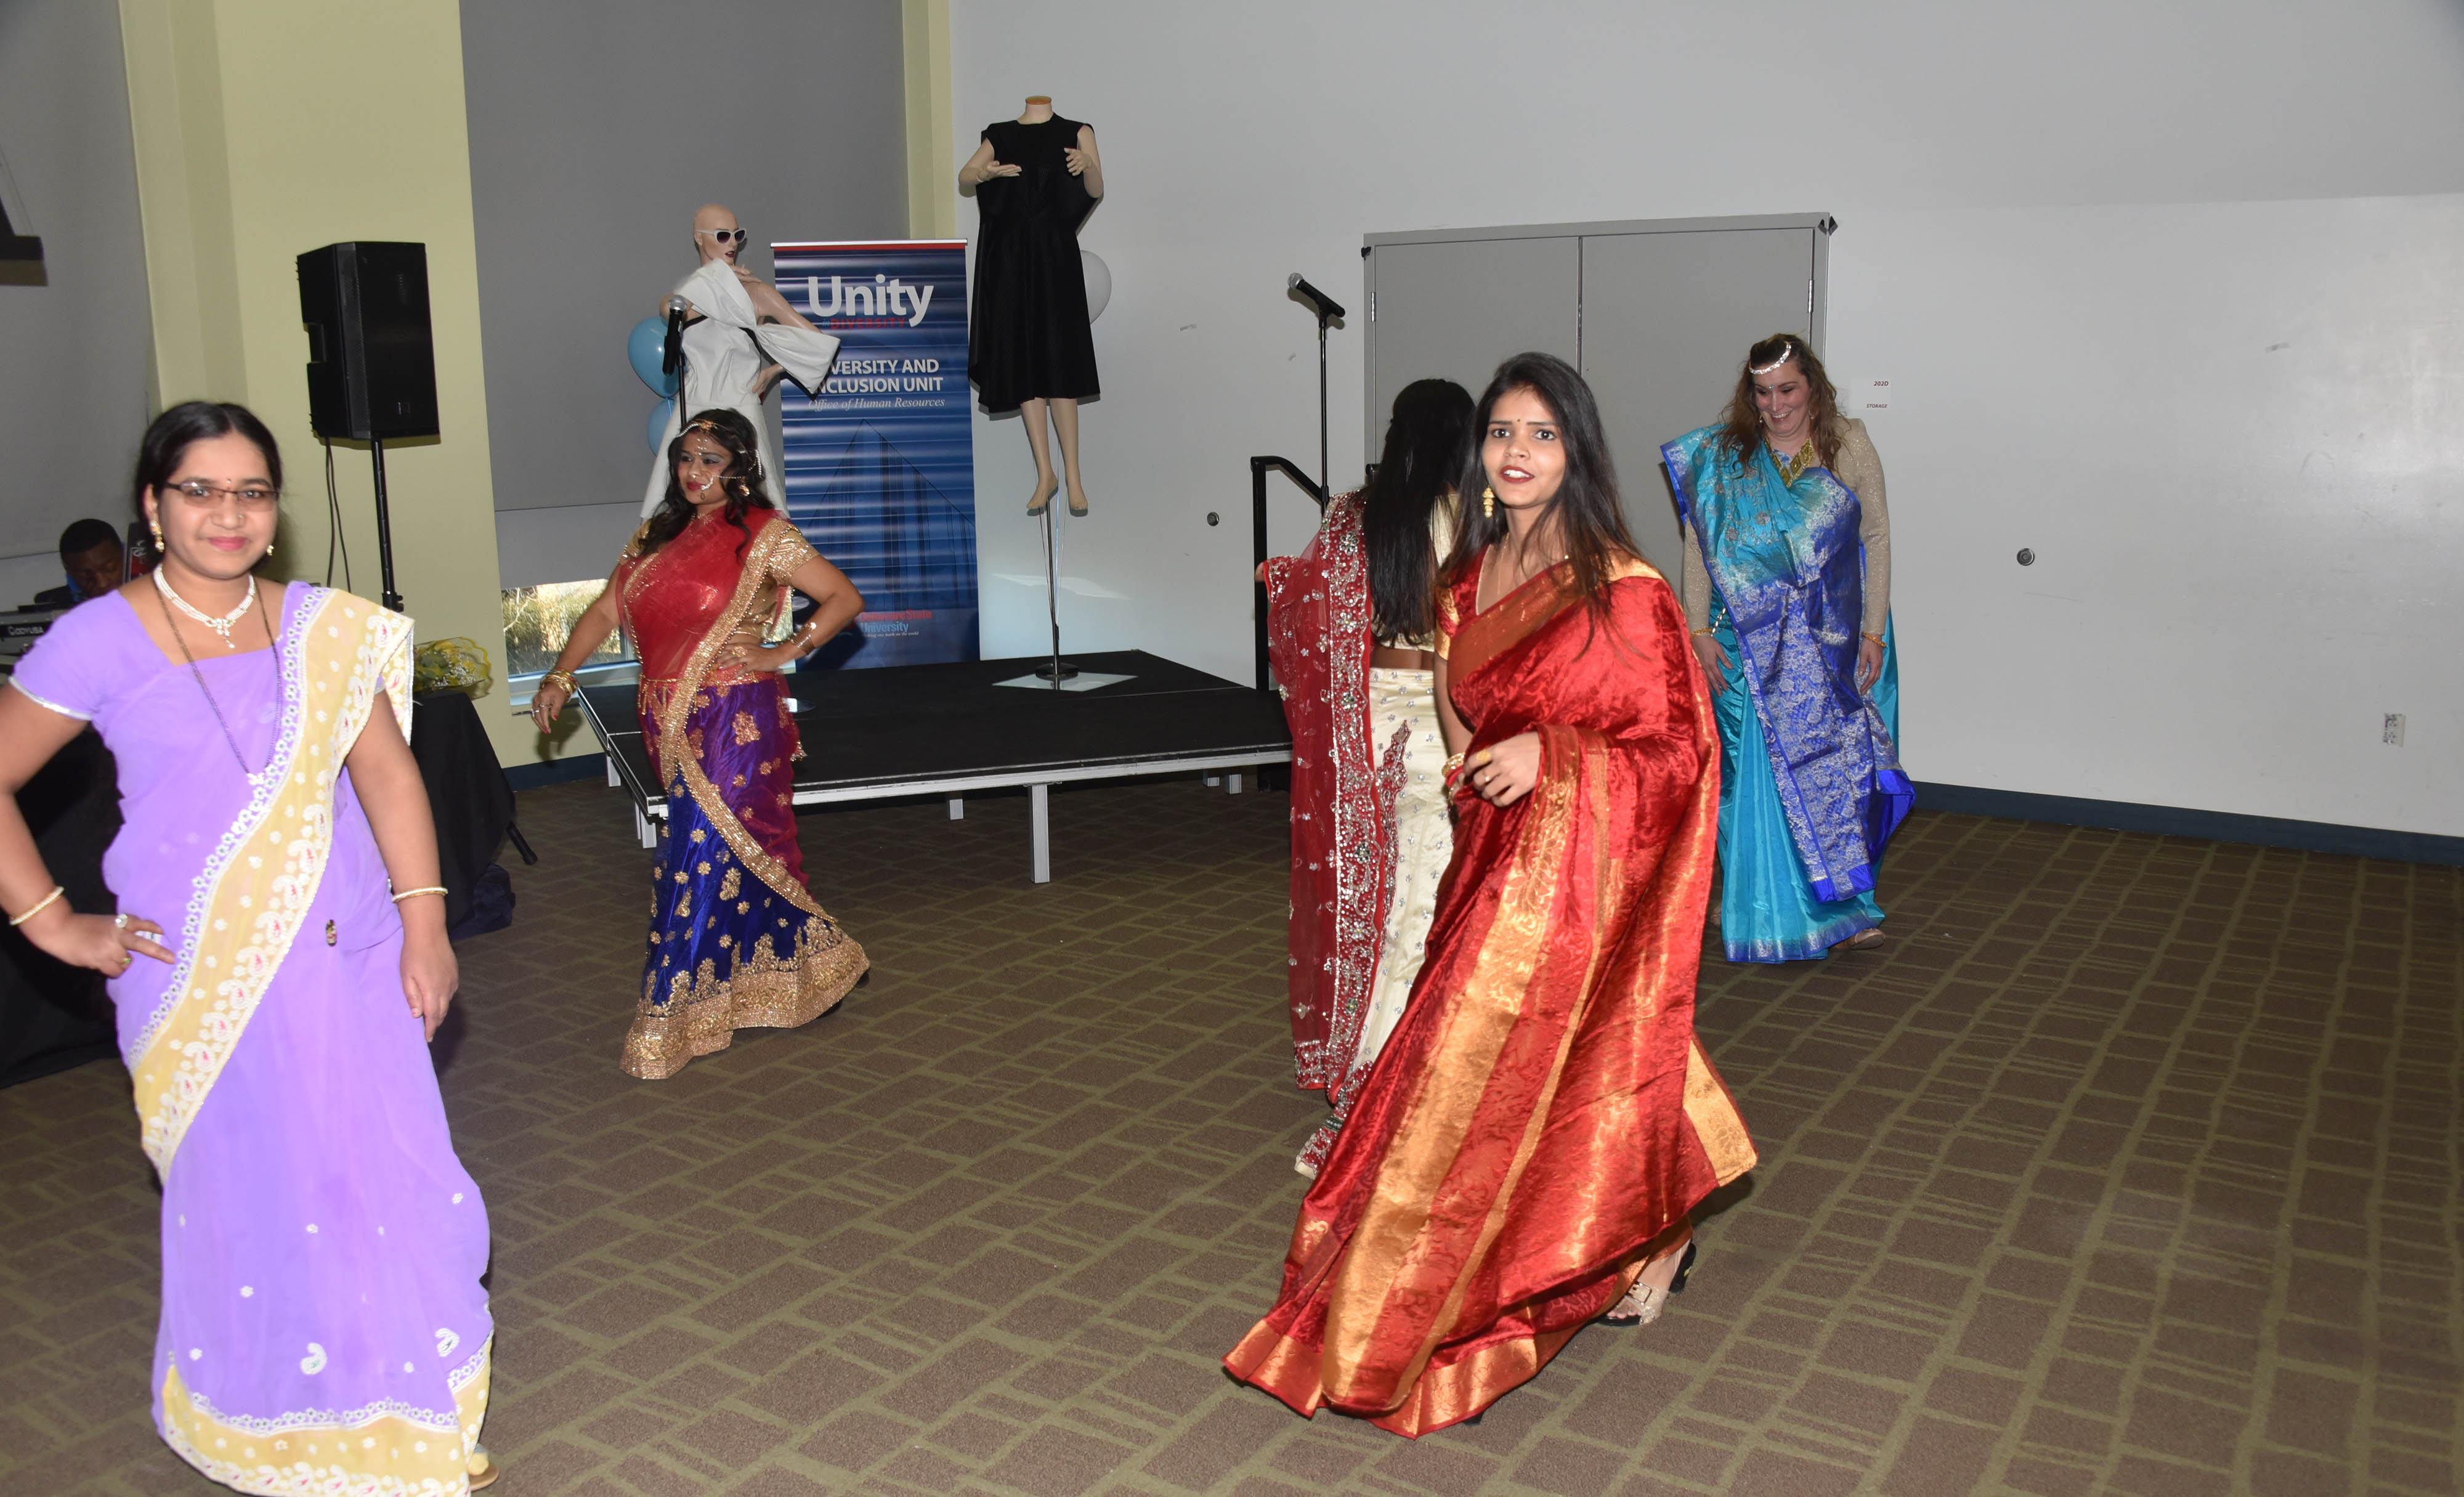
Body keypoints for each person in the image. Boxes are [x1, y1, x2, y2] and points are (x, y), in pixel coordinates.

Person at [1226, 354, 1757, 1437]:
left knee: (1484, 1074)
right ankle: (1653, 1228)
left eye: (1541, 436)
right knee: (1572, 1055)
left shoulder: (1624, 590)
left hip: (1575, 869)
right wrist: (1484, 766)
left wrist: (1555, 761)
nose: (1517, 454)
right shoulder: (1469, 576)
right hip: (1493, 858)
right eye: (1503, 434)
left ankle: (1430, 1305)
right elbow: (1455, 697)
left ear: (1577, 454)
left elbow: (1678, 752)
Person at [0, 402, 498, 1492]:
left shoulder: (322, 626)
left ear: (276, 513)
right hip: (200, 976)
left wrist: (427, 924)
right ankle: (278, 1414)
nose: (228, 514)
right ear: (154, 504)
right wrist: (52, 923)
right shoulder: (98, 636)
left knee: (378, 1171)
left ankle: (408, 1401)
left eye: (252, 492)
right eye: (200, 490)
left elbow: (389, 776)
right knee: (261, 1186)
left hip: (354, 947)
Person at [538, 408, 869, 1079]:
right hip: (666, 716)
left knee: (697, 855)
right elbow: (607, 611)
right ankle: (808, 962)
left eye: (710, 459)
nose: (694, 472)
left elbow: (842, 598)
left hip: (736, 716)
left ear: (740, 466)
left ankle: (670, 1019)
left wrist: (784, 651)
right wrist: (560, 676)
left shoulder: (764, 536)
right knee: (728, 857)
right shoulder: (654, 536)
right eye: (686, 458)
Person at [1263, 378, 1471, 1179]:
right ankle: (1386, 1085)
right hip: (1435, 717)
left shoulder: (1353, 513)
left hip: (1364, 725)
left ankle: (1371, 1064)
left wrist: (1277, 580)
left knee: (1371, 901)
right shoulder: (1466, 521)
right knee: (1421, 905)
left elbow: (1311, 599)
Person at [1664, 333, 1913, 962]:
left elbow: (1876, 536)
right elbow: (1700, 546)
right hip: (1742, 640)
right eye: (1762, 393)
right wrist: (1695, 630)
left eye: (1788, 390)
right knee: (1748, 775)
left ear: (1814, 388)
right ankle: (1753, 894)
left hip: (1831, 642)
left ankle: (1845, 908)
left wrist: (1874, 631)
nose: (1775, 406)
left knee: (1834, 772)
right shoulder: (1726, 456)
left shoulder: (1846, 443)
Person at [639, 203, 843, 518]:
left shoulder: (755, 293)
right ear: (699, 238)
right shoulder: (689, 293)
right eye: (722, 236)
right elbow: (669, 309)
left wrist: (774, 371)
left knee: (751, 510)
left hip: (740, 409)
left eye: (737, 235)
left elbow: (819, 344)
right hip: (693, 406)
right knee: (681, 511)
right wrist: (715, 281)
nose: (732, 243)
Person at [960, 95, 1103, 515]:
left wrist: (1088, 166)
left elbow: (1096, 189)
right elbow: (967, 174)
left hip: (1055, 257)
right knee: (1024, 363)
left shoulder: (1077, 131)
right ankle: (1046, 472)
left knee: (1059, 363)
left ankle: (1073, 474)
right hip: (1011, 260)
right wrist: (983, 172)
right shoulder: (1001, 134)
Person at [29, 517, 125, 609]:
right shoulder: (54, 607)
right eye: (87, 576)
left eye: (110, 569)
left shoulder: (140, 590)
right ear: (70, 572)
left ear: (126, 554)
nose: (102, 583)